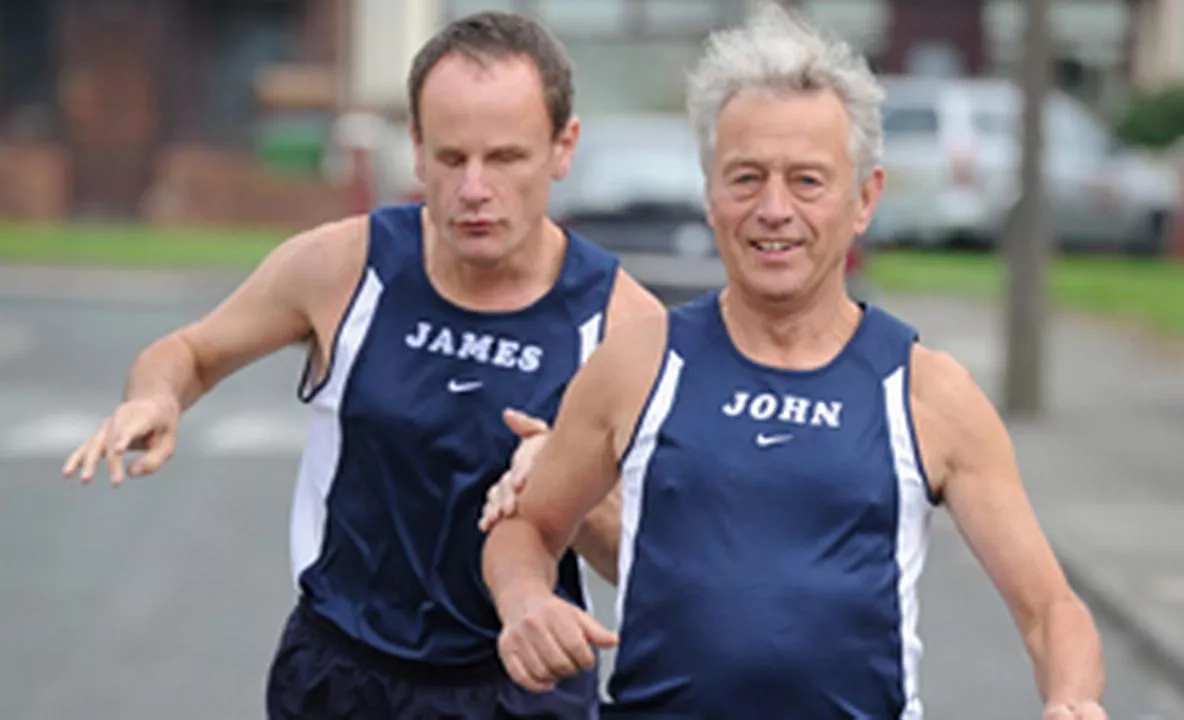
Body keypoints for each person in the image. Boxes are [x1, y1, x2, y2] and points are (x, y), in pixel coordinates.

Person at [478, 5, 1108, 719]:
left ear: (864, 198)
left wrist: (1072, 698)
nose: (774, 209)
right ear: (710, 191)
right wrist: (525, 598)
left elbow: (1049, 608)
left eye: (807, 181)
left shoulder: (927, 393)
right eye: (746, 178)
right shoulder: (639, 366)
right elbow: (525, 527)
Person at [60, 10, 660, 719]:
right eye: (450, 157)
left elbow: (661, 566)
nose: (473, 189)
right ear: (414, 147)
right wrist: (155, 398)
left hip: (520, 684)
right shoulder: (343, 267)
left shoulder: (624, 325)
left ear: (564, 148)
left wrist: (569, 485)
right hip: (342, 676)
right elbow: (189, 352)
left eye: (505, 158)